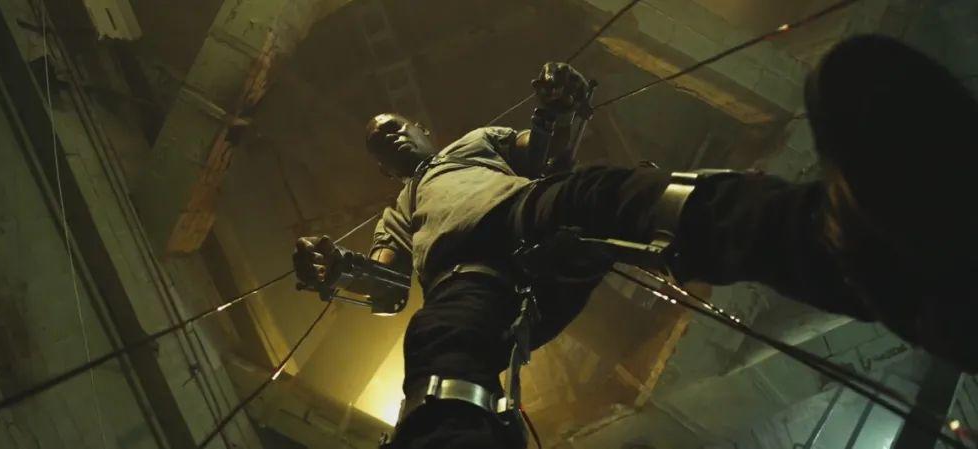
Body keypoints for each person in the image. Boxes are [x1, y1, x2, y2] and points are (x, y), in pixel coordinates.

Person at [293, 34, 978, 448]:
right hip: (467, 283)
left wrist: (558, 109)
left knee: (627, 197)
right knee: (439, 356)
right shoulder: (399, 212)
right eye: (381, 142)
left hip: (528, 213)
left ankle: (844, 247)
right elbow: (389, 286)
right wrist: (339, 269)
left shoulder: (475, 143)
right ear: (386, 167)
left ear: (420, 128)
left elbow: (548, 155)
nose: (391, 137)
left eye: (394, 126)